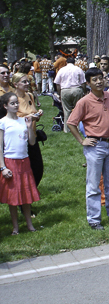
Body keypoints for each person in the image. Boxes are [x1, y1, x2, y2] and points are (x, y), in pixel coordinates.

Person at [67, 68, 109, 230]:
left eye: (101, 78)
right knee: (94, 184)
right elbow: (71, 122)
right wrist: (82, 140)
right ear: (88, 83)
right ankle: (94, 218)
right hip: (95, 146)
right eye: (94, 80)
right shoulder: (84, 102)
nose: (99, 82)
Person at [0, 92, 40, 235]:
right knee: (13, 197)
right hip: (10, 161)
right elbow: (0, 147)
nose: (16, 105)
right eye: (12, 103)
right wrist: (3, 167)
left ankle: (29, 225)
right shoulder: (3, 122)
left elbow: (32, 142)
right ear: (5, 106)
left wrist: (30, 127)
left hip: (24, 160)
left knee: (26, 195)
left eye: (17, 102)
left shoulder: (23, 120)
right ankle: (15, 227)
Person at [12, 73, 44, 187]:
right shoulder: (13, 99)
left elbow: (33, 114)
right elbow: (12, 119)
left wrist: (38, 114)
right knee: (22, 169)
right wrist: (30, 117)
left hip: (32, 136)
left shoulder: (29, 95)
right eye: (24, 82)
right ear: (16, 84)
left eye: (27, 81)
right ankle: (23, 196)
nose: (27, 84)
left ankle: (30, 191)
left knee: (38, 168)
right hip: (20, 138)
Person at [53, 57, 86, 133]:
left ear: (66, 62)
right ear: (74, 62)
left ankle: (67, 129)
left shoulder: (62, 70)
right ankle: (78, 128)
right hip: (76, 89)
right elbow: (83, 82)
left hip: (65, 90)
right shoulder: (78, 69)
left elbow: (57, 83)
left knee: (66, 110)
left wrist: (59, 93)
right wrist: (84, 92)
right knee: (77, 110)